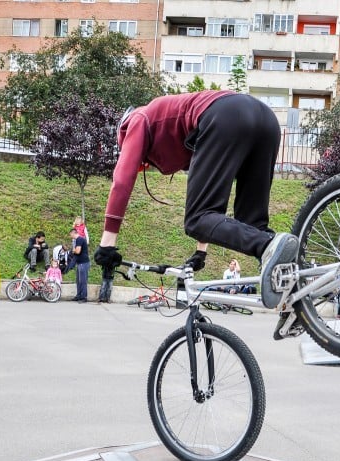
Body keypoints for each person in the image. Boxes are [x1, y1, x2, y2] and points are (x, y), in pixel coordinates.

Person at [94, 90, 296, 310]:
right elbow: (212, 196)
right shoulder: (182, 136)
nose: (147, 165)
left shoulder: (137, 119)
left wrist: (107, 244)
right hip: (266, 121)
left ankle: (267, 244)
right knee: (252, 226)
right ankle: (298, 296)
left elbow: (122, 180)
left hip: (227, 115)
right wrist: (201, 251)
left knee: (196, 220)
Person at [70, 227, 91, 303]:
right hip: (80, 263)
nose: (70, 236)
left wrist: (73, 250)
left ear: (73, 233)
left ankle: (84, 297)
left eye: (70, 234)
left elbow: (78, 251)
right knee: (78, 280)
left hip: (83, 263)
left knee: (83, 281)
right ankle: (78, 295)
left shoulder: (79, 239)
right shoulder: (78, 240)